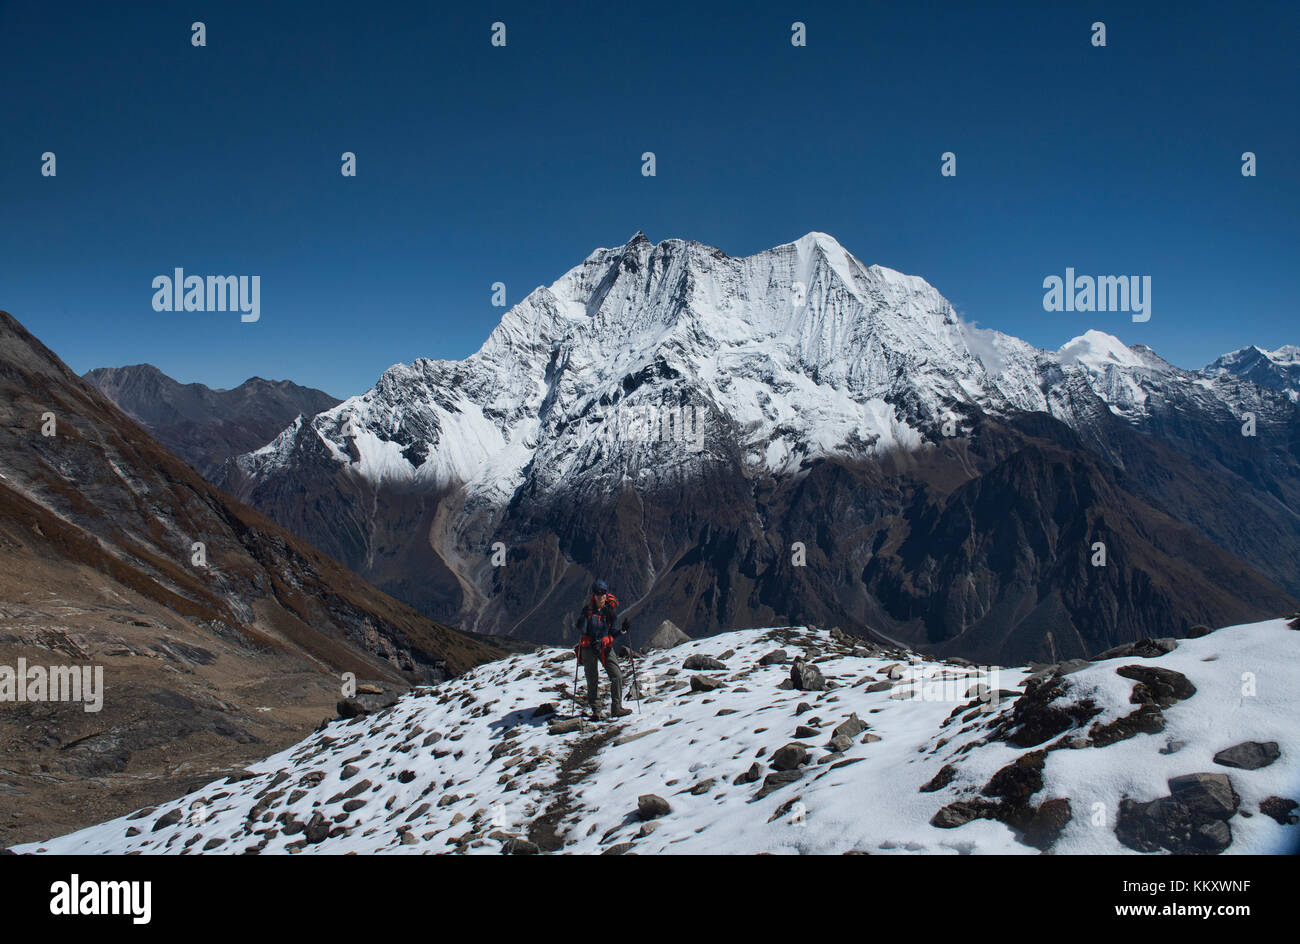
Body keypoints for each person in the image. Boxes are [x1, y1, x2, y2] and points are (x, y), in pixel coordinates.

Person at [574, 579, 631, 718]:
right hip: (590, 648)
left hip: (604, 647)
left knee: (616, 676)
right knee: (592, 679)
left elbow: (614, 631)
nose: (601, 596)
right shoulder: (587, 611)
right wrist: (582, 626)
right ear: (594, 595)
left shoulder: (609, 611)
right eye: (598, 593)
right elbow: (584, 629)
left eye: (603, 593)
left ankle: (616, 708)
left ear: (606, 594)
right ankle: (597, 711)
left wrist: (623, 630)